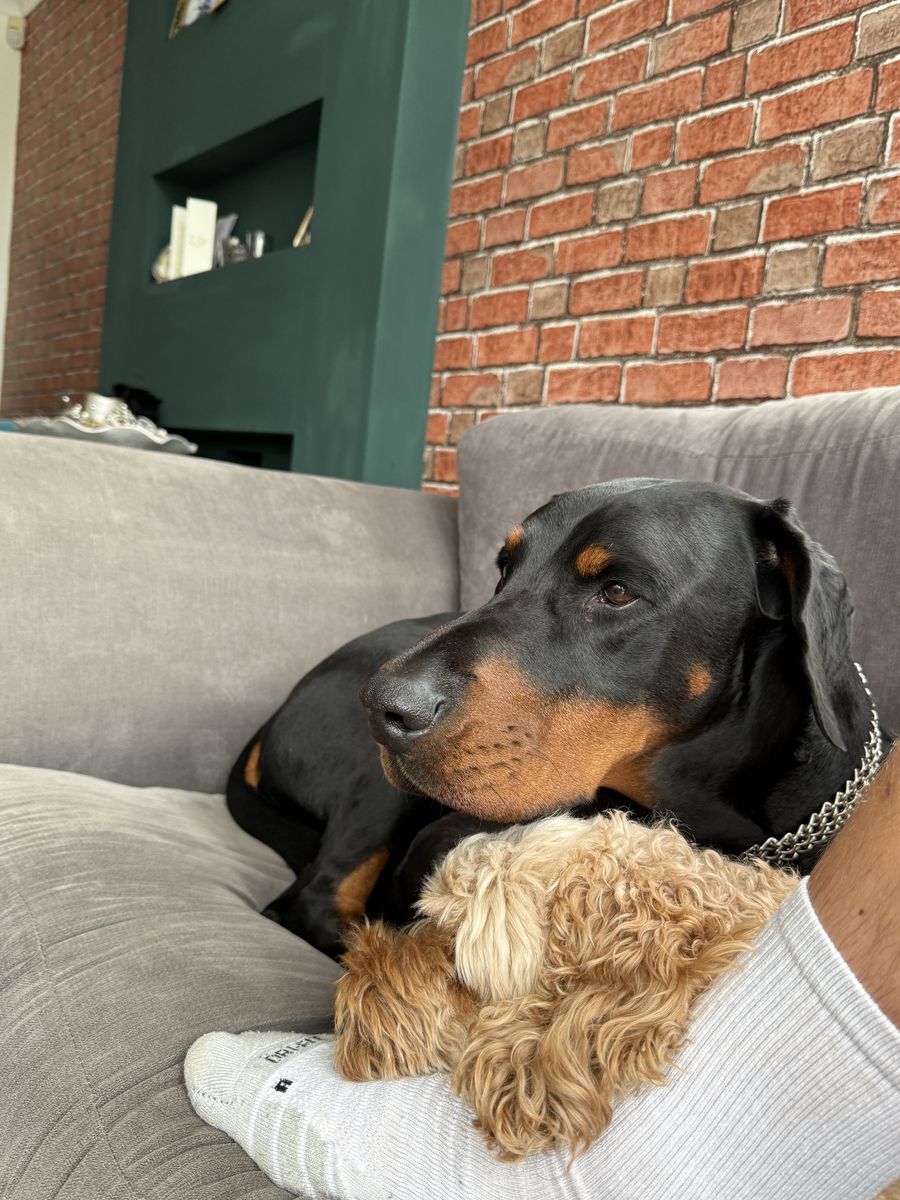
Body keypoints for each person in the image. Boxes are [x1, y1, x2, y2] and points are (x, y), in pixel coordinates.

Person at [186, 751, 900, 1200]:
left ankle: (576, 1179)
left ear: (575, 1015)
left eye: (457, 968)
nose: (367, 971)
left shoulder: (608, 1022)